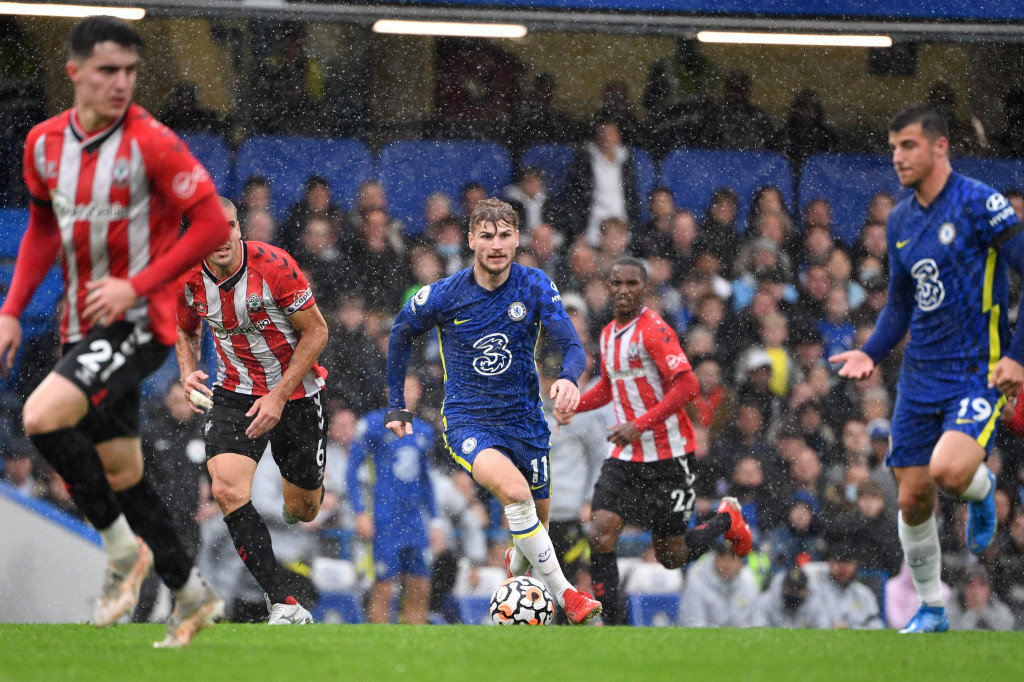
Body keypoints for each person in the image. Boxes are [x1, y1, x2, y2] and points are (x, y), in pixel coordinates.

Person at [0, 16, 230, 648]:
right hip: (83, 327)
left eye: (130, 71)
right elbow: (44, 229)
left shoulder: (151, 142)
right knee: (123, 471)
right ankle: (189, 592)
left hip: (138, 321)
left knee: (43, 418)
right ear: (74, 73)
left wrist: (140, 282)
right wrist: (13, 309)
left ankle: (122, 553)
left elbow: (211, 224)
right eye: (107, 70)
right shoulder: (45, 145)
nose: (121, 83)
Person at [829, 104, 1024, 634]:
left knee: (948, 472)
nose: (897, 157)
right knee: (913, 497)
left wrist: (1017, 356)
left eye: (908, 145)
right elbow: (899, 303)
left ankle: (981, 492)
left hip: (977, 370)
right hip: (918, 376)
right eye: (893, 146)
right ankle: (932, 608)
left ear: (940, 147)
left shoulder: (981, 203)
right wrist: (872, 348)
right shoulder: (899, 219)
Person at [385, 198, 603, 625]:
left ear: (517, 238)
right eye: (486, 236)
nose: (496, 245)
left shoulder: (536, 285)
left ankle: (513, 590)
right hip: (470, 421)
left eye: (505, 235)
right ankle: (568, 596)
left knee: (534, 521)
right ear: (471, 240)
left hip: (526, 423)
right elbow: (399, 333)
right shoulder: (446, 294)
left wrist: (568, 378)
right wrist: (397, 403)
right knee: (516, 496)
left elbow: (573, 347)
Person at [556, 257, 752, 624]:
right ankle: (610, 627)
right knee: (600, 534)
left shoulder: (653, 329)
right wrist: (575, 406)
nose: (625, 290)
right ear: (609, 287)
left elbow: (688, 384)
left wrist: (639, 425)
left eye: (633, 283)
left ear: (644, 289)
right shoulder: (607, 334)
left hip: (669, 455)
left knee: (670, 555)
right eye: (618, 283)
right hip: (626, 454)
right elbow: (611, 387)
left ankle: (726, 518)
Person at [175, 197, 329, 625]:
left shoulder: (275, 265)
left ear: (239, 229)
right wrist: (188, 372)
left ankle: (292, 502)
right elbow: (184, 328)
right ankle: (283, 603)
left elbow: (317, 331)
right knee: (227, 490)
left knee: (303, 511)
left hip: (297, 393)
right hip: (233, 393)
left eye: (229, 226)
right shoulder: (185, 275)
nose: (222, 237)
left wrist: (279, 396)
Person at [347, 375, 442, 625]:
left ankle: (415, 649)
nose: (407, 393)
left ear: (419, 391)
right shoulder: (372, 424)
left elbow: (426, 480)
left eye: (411, 387)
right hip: (384, 517)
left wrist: (436, 521)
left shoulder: (424, 430)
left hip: (414, 519)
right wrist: (359, 512)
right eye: (401, 387)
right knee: (384, 587)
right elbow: (352, 472)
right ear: (390, 391)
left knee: (420, 586)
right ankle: (379, 649)